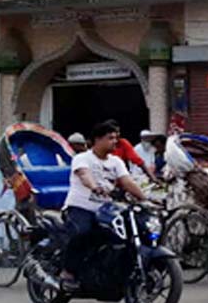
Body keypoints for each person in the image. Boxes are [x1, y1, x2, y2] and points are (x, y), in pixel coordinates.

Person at [60, 121, 149, 289]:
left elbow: (127, 182)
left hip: (106, 210)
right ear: (97, 139)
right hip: (80, 208)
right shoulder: (82, 158)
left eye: (116, 138)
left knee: (123, 235)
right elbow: (84, 175)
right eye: (110, 138)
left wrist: (145, 199)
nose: (115, 141)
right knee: (83, 232)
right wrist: (95, 187)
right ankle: (68, 271)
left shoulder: (116, 162)